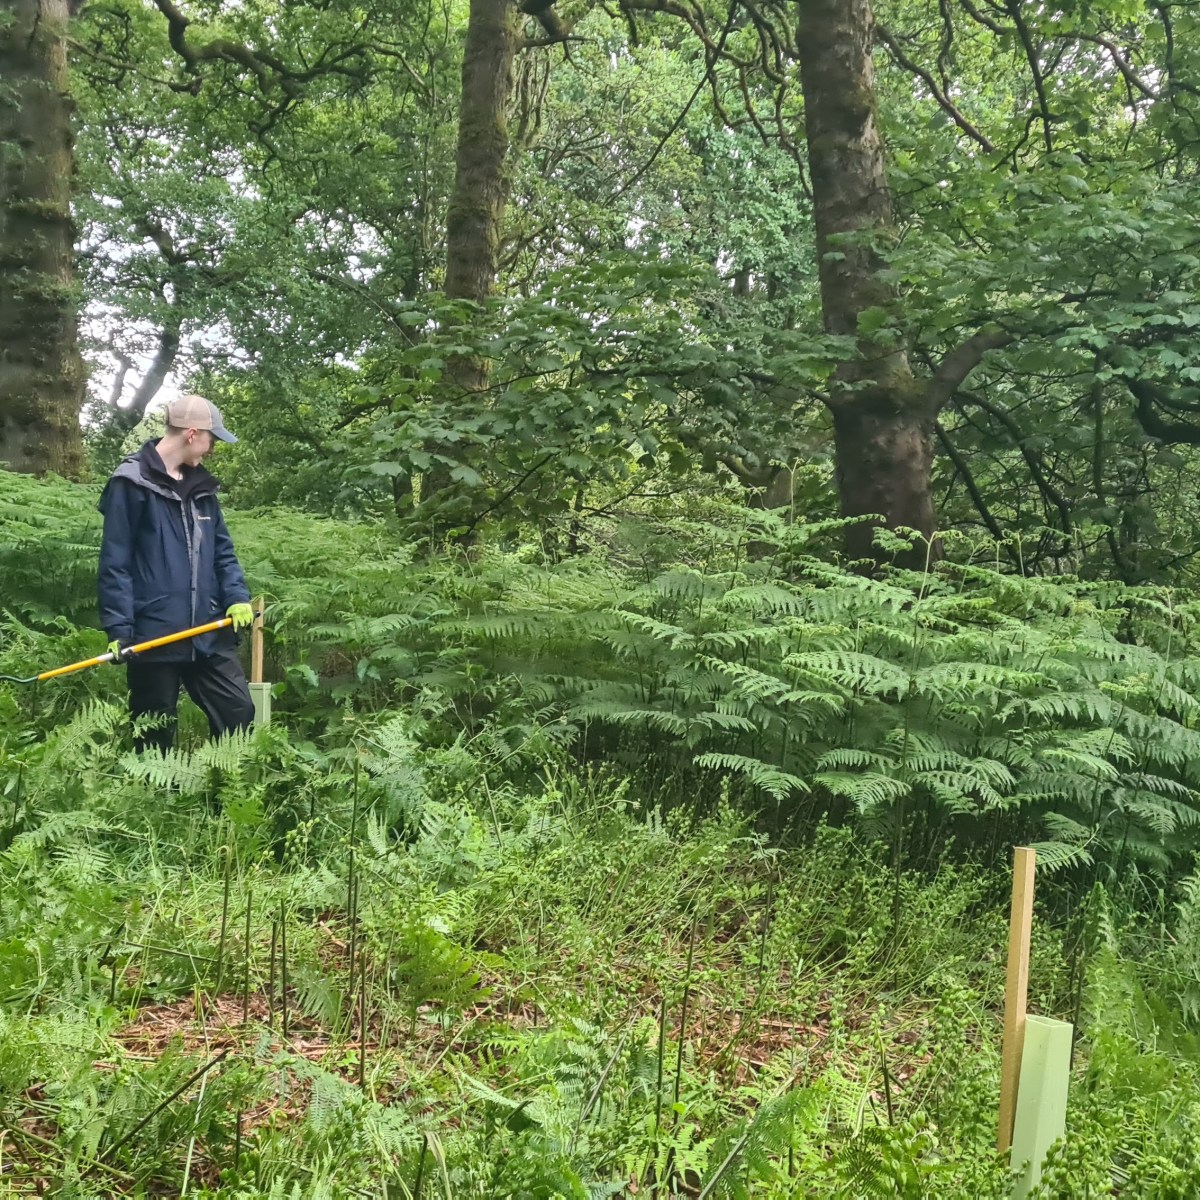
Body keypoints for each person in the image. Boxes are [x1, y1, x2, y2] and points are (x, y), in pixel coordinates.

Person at [98, 394, 256, 752]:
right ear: (192, 433)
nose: (212, 449)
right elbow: (115, 562)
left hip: (208, 630)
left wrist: (236, 598)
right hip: (154, 633)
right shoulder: (131, 483)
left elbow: (223, 553)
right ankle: (155, 804)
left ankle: (224, 798)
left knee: (239, 712)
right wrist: (119, 628)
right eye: (211, 439)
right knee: (153, 732)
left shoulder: (202, 489)